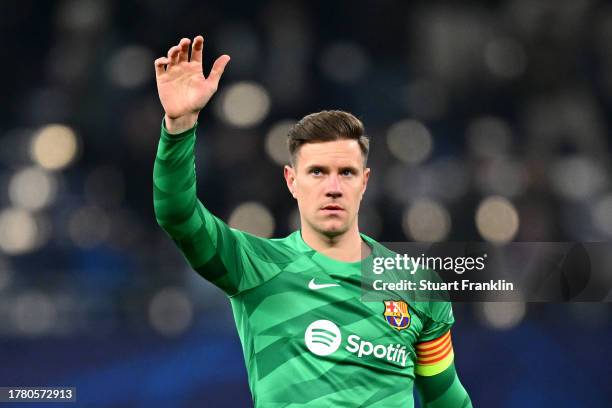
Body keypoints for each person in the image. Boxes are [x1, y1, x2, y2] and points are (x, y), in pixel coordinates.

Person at [153, 35, 472, 408]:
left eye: (347, 173)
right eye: (318, 172)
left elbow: (447, 398)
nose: (333, 188)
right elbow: (177, 214)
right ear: (292, 181)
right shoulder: (254, 266)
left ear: (365, 182)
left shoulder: (416, 285)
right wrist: (179, 125)